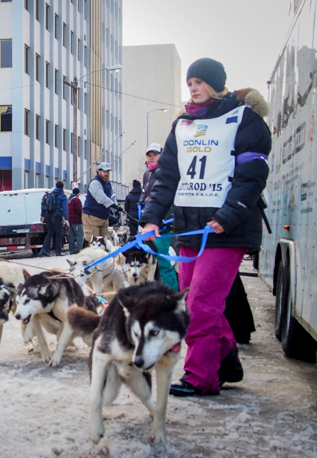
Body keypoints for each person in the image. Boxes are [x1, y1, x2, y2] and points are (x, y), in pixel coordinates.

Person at [140, 57, 271, 397]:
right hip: (189, 229)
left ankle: (200, 377)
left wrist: (227, 216)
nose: (193, 88)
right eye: (190, 83)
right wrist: (151, 218)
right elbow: (166, 176)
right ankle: (226, 360)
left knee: (201, 304)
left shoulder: (245, 118)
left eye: (199, 82)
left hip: (227, 230)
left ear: (215, 83)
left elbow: (252, 177)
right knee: (196, 304)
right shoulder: (182, 124)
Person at [140, 143, 179, 291]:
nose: (151, 158)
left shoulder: (165, 172)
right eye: (149, 155)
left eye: (154, 154)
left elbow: (167, 197)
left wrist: (163, 219)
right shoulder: (147, 174)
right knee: (153, 261)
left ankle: (173, 296)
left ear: (161, 155)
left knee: (163, 261)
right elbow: (147, 194)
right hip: (150, 222)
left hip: (164, 223)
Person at [82, 162, 116, 242]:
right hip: (92, 216)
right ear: (98, 171)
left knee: (105, 242)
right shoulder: (95, 182)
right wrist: (114, 206)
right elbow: (102, 198)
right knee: (94, 242)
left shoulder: (107, 183)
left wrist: (114, 210)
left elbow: (111, 197)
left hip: (103, 217)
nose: (106, 174)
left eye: (108, 172)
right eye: (104, 172)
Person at [39, 181, 69, 257]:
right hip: (57, 217)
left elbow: (44, 205)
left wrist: (42, 215)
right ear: (62, 187)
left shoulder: (50, 194)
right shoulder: (62, 196)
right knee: (59, 234)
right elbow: (65, 208)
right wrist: (66, 219)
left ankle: (44, 250)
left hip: (48, 216)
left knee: (49, 233)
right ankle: (58, 252)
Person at [67, 187, 84, 254]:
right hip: (76, 221)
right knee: (80, 236)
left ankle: (72, 250)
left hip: (69, 221)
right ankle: (77, 249)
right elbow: (79, 210)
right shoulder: (76, 200)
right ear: (78, 193)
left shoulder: (69, 200)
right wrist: (82, 217)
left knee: (71, 237)